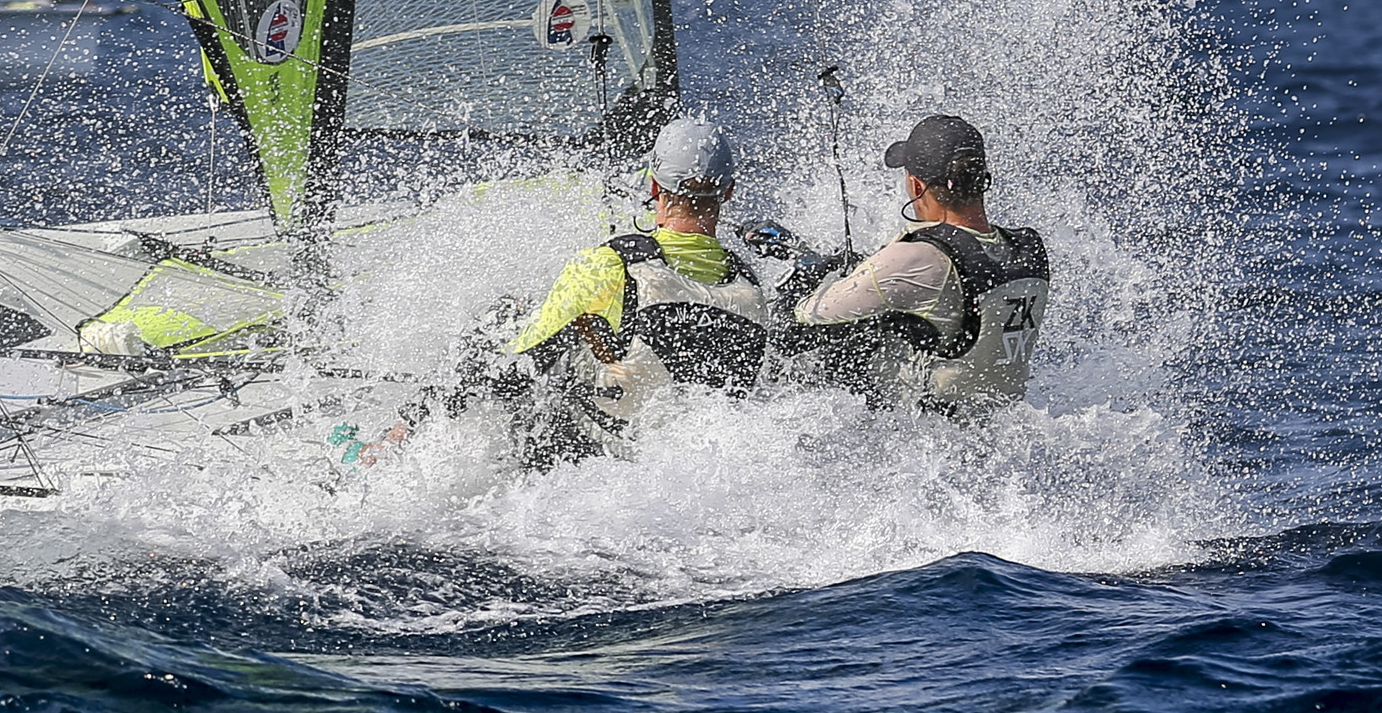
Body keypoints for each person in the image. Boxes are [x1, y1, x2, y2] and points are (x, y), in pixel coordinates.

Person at [362, 118, 769, 470]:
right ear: (728, 192)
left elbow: (515, 365)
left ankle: (395, 438)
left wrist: (424, 412)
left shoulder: (611, 263)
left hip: (581, 448)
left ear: (653, 185)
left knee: (503, 319)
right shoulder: (749, 285)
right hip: (678, 455)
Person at [745, 114, 1050, 413]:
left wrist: (804, 272)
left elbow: (799, 321)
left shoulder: (918, 258)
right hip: (995, 424)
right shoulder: (1028, 250)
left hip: (931, 435)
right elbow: (947, 281)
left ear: (917, 186)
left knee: (802, 340)